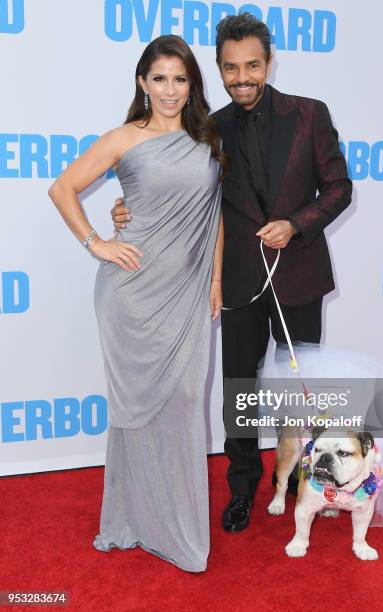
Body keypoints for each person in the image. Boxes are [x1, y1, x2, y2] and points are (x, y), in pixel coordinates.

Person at [112, 14, 352, 533]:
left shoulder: (310, 115)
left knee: (296, 386)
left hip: (299, 276)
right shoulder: (210, 126)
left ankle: (296, 480)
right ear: (218, 68)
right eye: (229, 68)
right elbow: (179, 189)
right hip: (237, 277)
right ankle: (242, 488)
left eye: (251, 66)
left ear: (269, 63)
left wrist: (297, 223)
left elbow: (339, 189)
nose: (241, 77)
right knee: (240, 389)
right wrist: (125, 210)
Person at [48, 35, 225, 572]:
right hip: (131, 291)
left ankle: (178, 529)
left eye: (180, 78)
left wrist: (216, 281)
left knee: (187, 406)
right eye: (159, 78)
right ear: (142, 83)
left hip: (190, 291)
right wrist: (96, 240)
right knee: (133, 413)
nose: (170, 89)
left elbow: (215, 214)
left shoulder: (210, 137)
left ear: (192, 83)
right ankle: (131, 521)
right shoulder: (124, 137)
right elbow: (63, 188)